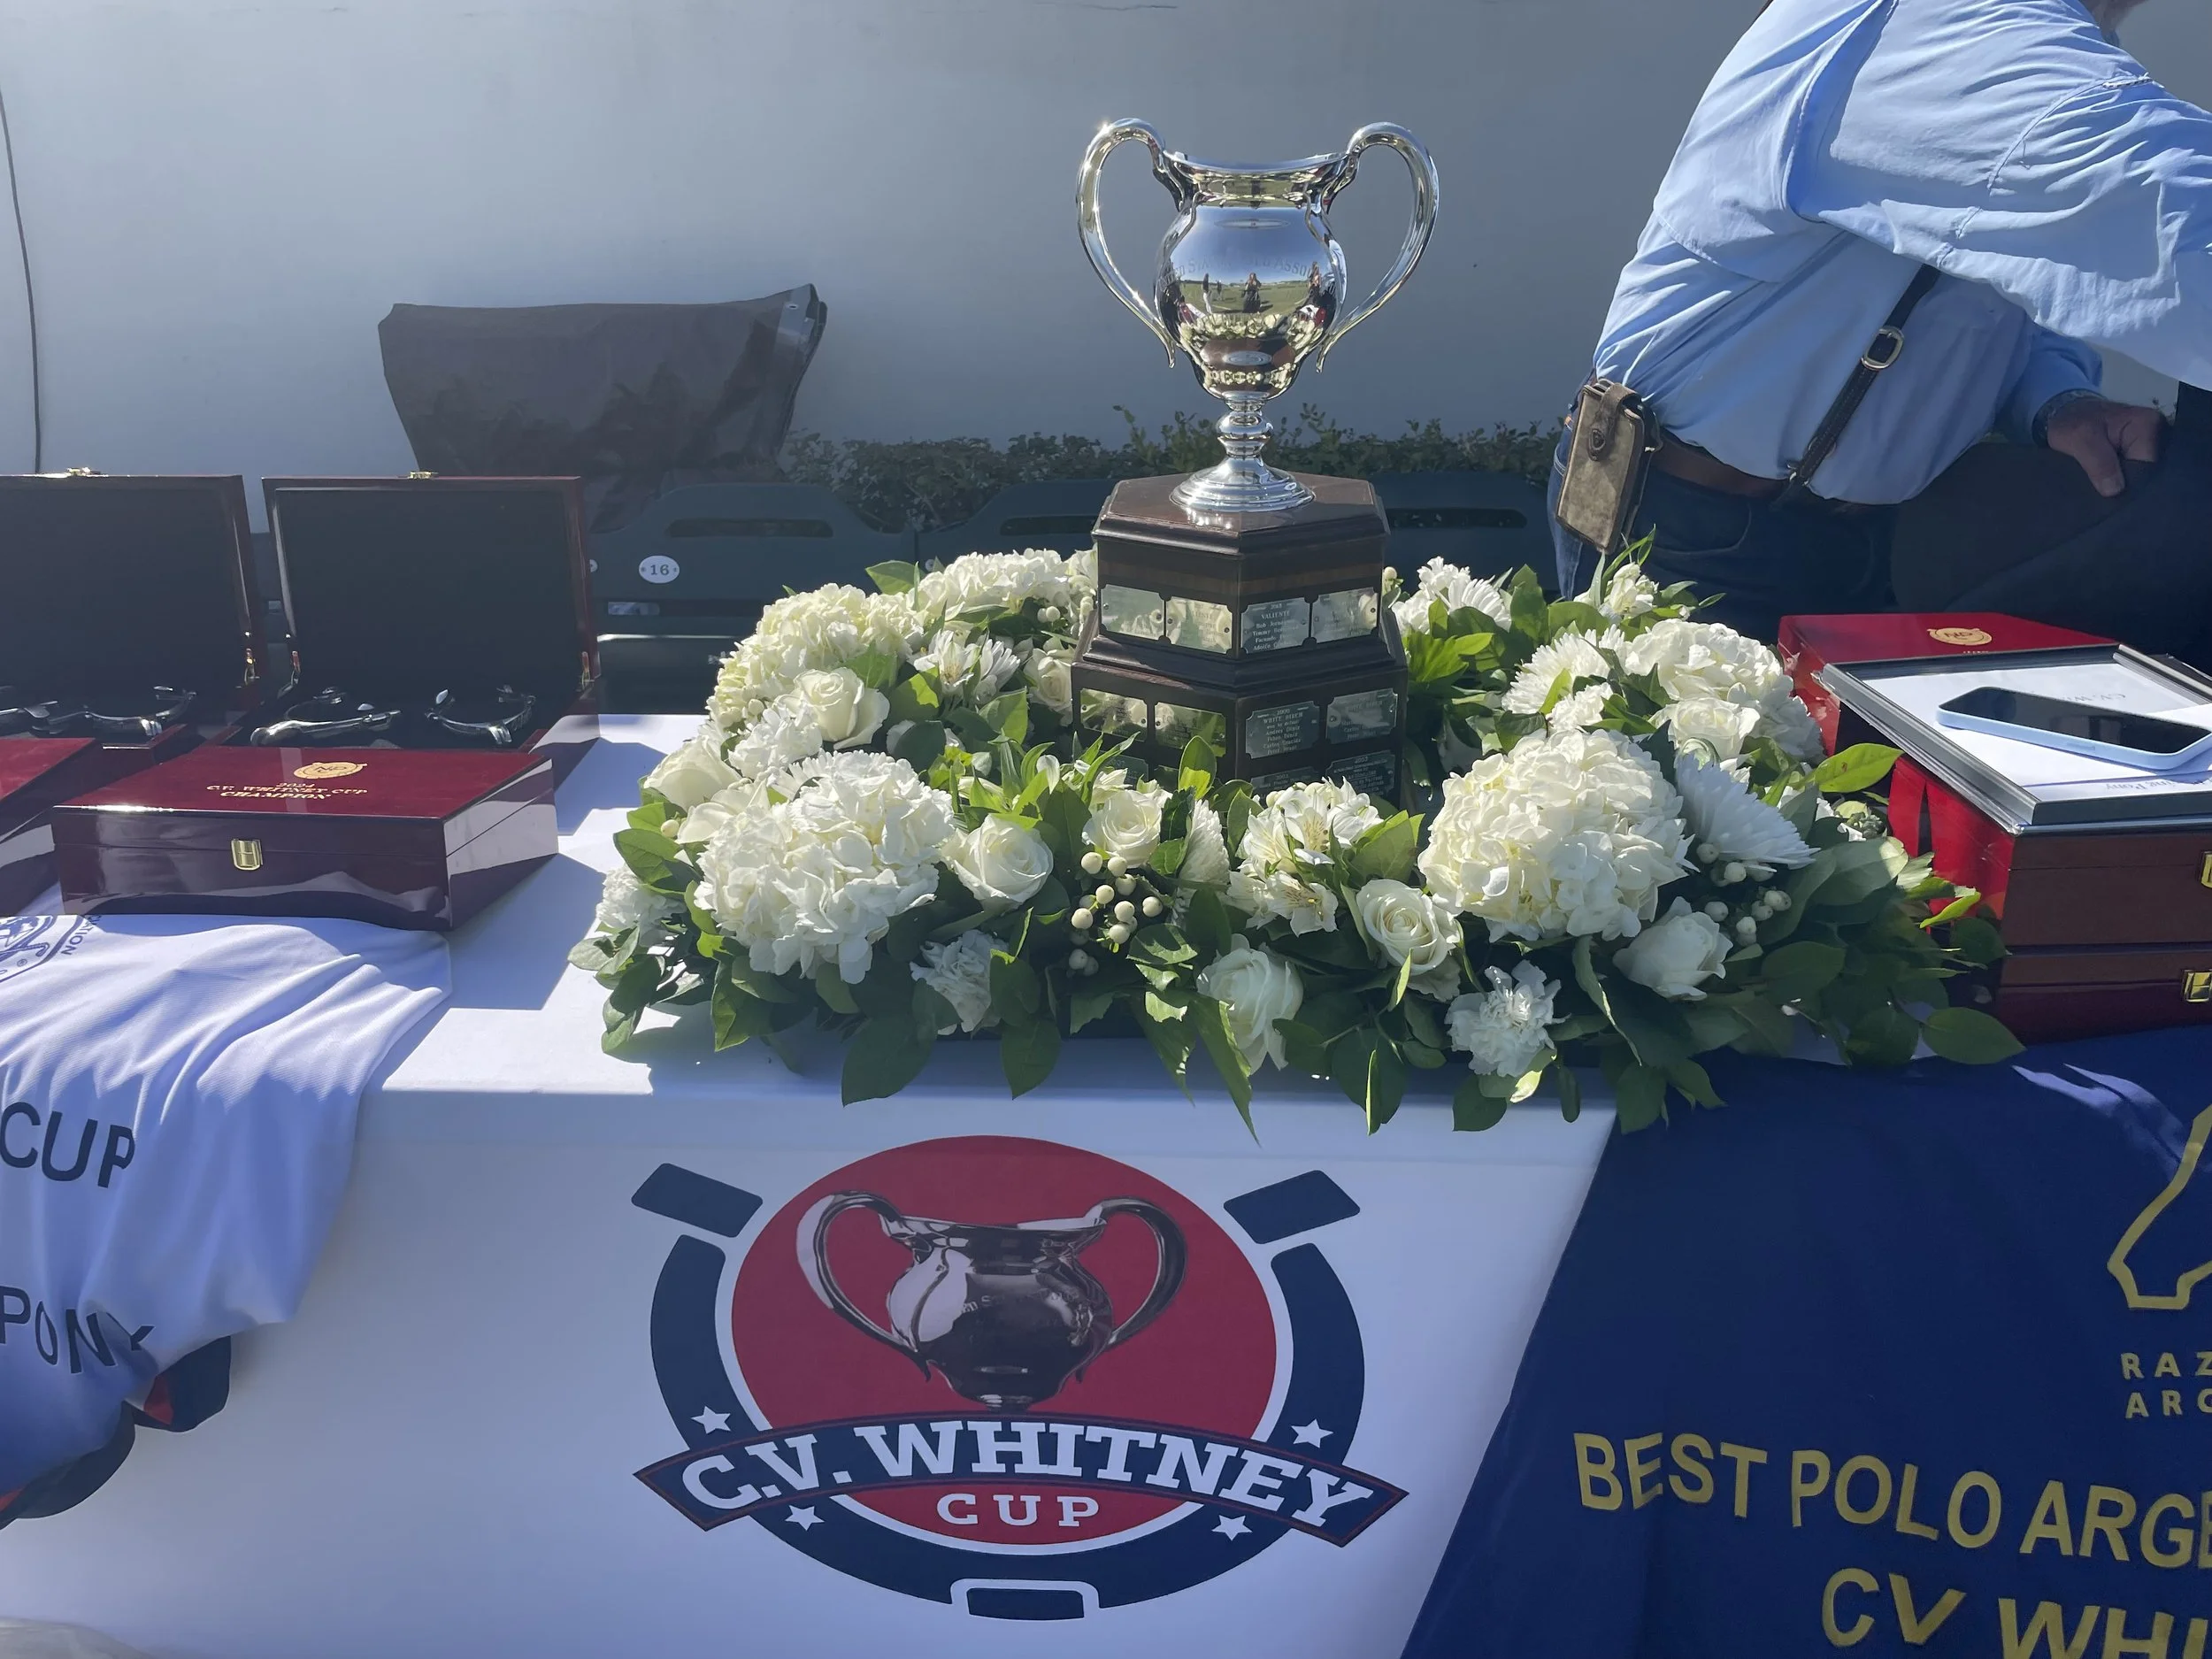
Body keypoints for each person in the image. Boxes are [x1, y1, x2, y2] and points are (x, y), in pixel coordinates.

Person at [1550, 0, 2212, 654]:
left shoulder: (2056, 51)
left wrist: (2060, 400)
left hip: (1864, 538)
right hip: (1689, 529)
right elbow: (2172, 199)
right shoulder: (1945, 22)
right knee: (1679, 758)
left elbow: (2013, 286)